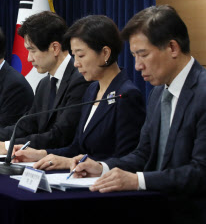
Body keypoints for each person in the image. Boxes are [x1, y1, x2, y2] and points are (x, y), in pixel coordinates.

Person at [71, 5, 206, 223]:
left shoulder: (202, 92)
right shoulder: (157, 93)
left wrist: (138, 181)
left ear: (172, 47)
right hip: (155, 208)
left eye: (143, 54)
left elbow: (200, 172)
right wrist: (103, 167)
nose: (137, 66)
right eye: (134, 56)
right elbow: (143, 154)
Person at [13, 15, 146, 170]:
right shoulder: (91, 90)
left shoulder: (127, 95)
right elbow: (77, 148)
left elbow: (126, 159)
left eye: (81, 55)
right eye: (74, 55)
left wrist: (85, 165)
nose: (76, 63)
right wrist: (42, 154)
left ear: (105, 53)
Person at [0, 11, 91, 154]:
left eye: (32, 50)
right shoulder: (44, 84)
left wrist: (6, 147)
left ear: (55, 48)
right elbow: (26, 125)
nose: (28, 59)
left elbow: (60, 135)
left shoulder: (81, 80)